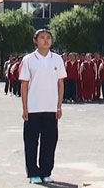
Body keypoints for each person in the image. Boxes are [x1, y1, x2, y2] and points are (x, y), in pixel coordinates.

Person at [19, 29, 66, 184]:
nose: (46, 40)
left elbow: (60, 83)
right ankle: (33, 173)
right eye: (42, 38)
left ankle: (46, 171)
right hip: (33, 108)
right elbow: (24, 84)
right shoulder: (29, 59)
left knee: (50, 141)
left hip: (51, 108)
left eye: (48, 38)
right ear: (35, 41)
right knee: (31, 142)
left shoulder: (57, 59)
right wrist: (25, 108)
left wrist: (59, 105)